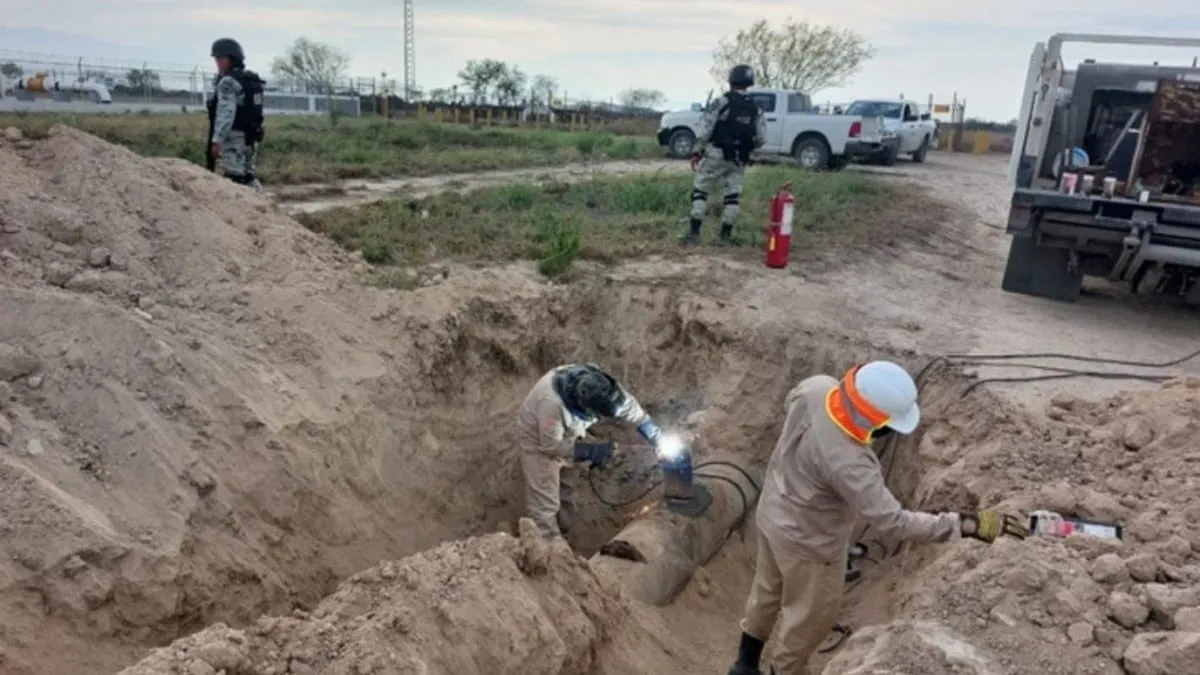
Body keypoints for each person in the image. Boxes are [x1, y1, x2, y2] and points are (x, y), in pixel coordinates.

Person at [726, 361, 1028, 675]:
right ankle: (783, 670)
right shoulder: (850, 463)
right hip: (811, 547)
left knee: (766, 592)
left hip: (773, 514)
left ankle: (744, 665)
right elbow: (893, 521)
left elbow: (793, 402)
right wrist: (963, 525)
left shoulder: (817, 387)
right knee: (806, 621)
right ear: (874, 421)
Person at [516, 363, 666, 539]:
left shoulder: (605, 389)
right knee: (545, 503)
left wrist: (655, 436)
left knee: (567, 487)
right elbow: (551, 446)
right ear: (586, 409)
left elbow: (633, 412)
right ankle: (549, 550)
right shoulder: (551, 404)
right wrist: (591, 451)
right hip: (538, 441)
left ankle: (564, 532)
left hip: (568, 433)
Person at [684, 64, 767, 246]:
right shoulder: (755, 107)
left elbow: (705, 127)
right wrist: (748, 149)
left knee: (700, 190)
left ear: (731, 81)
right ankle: (725, 237)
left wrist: (697, 151)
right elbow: (761, 138)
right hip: (739, 158)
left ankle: (694, 233)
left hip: (716, 154)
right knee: (732, 196)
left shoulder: (722, 102)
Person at [208, 38, 265, 190]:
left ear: (229, 59)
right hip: (251, 137)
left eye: (219, 58)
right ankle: (264, 207)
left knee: (233, 179)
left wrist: (217, 140)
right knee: (248, 176)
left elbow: (226, 113)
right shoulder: (251, 80)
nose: (217, 63)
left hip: (234, 138)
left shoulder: (228, 82)